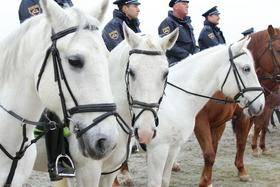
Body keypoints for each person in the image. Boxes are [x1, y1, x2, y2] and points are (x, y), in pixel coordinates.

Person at [18, 0, 75, 181]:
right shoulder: (31, 3)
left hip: (63, 62)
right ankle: (57, 161)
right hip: (40, 64)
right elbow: (38, 33)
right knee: (54, 105)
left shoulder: (66, 1)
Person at [158, 0, 198, 66]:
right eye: (184, 4)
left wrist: (198, 52)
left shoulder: (187, 23)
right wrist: (187, 55)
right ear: (175, 6)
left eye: (187, 4)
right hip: (176, 63)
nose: (187, 6)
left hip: (190, 61)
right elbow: (168, 45)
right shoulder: (167, 23)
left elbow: (192, 44)